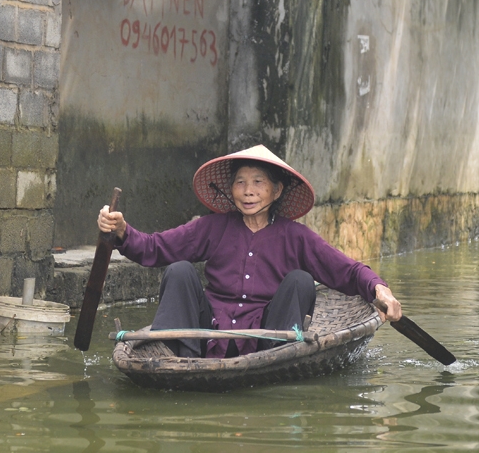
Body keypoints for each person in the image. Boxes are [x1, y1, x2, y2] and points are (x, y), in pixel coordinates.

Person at [96, 145, 402, 358]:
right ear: (232, 190)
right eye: (240, 183)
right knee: (179, 270)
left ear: (276, 190)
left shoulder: (295, 236)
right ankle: (179, 356)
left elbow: (346, 271)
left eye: (258, 182)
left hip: (268, 338)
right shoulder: (212, 227)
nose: (248, 191)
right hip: (207, 335)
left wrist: (381, 291)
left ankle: (281, 357)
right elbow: (155, 248)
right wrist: (122, 231)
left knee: (300, 280)